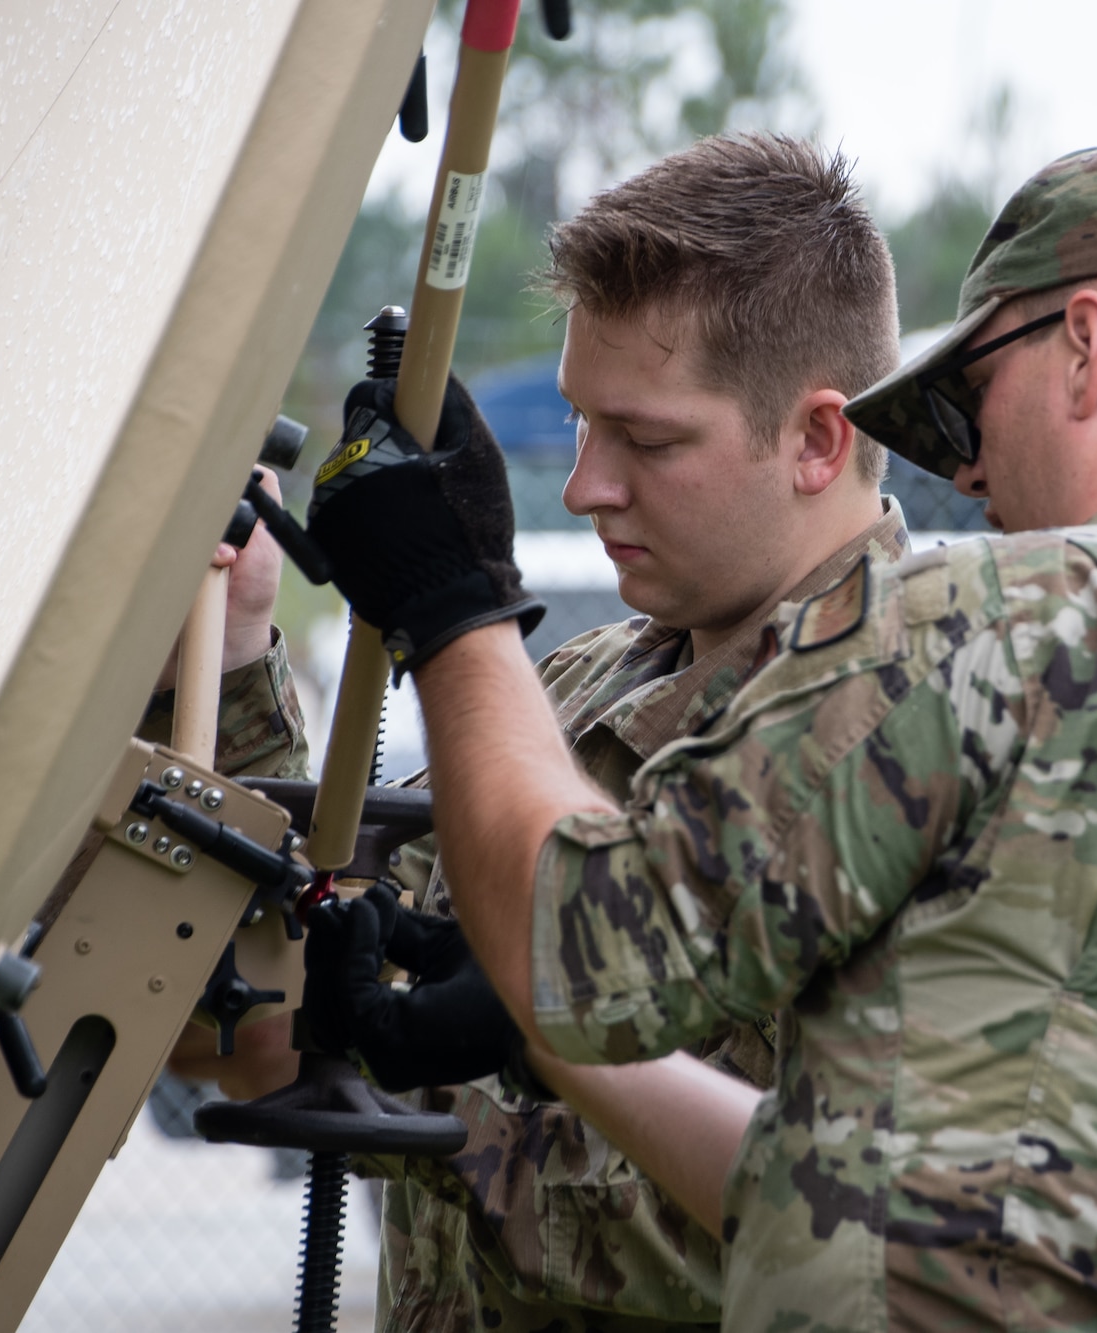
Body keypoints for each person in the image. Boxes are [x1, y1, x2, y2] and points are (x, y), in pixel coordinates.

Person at [306, 132, 1097, 1332]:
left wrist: (450, 603)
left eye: (971, 398)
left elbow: (579, 945)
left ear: (1083, 347)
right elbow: (853, 1210)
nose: (959, 471)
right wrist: (547, 1052)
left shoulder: (1010, 622)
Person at [274, 134, 908, 1331]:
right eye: (578, 426)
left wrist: (460, 627)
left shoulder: (915, 737)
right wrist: (240, 640)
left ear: (819, 439)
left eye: (648, 440)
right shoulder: (575, 685)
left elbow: (750, 1241)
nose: (581, 488)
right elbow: (292, 1017)